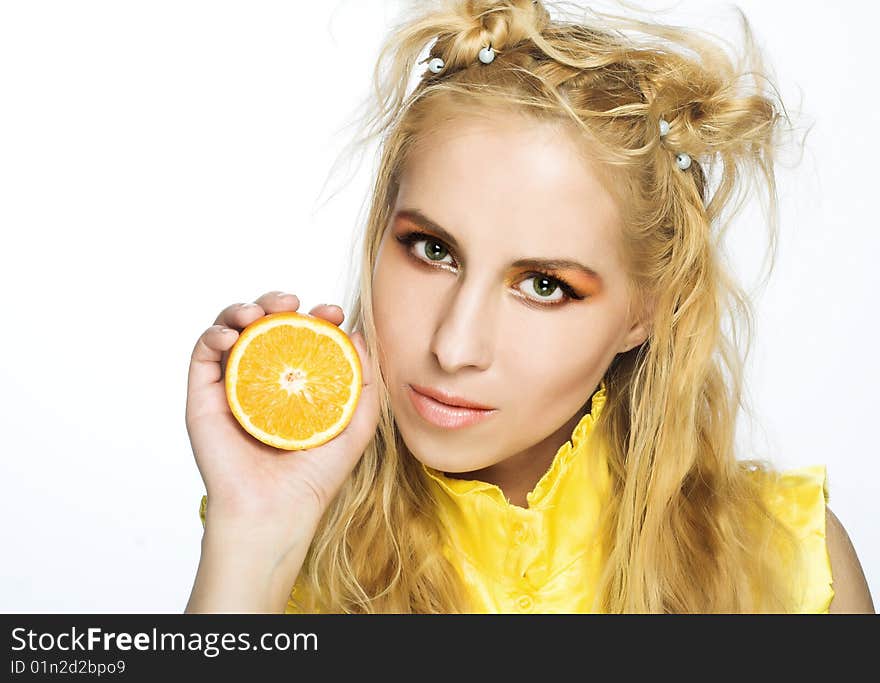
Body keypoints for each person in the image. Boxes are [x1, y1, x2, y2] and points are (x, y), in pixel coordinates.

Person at [184, 0, 874, 613]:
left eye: (544, 284)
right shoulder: (294, 559)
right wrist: (254, 533)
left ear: (647, 310)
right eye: (431, 250)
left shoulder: (787, 567)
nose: (454, 347)